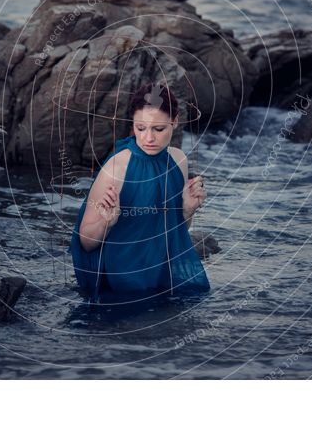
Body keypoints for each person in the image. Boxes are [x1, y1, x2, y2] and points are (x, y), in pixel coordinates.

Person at [68, 82, 210, 304]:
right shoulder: (116, 169)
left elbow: (172, 230)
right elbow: (85, 243)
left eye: (158, 129)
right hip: (119, 281)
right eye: (140, 128)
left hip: (160, 274)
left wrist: (187, 210)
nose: (148, 138)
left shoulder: (178, 160)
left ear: (175, 122)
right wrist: (106, 223)